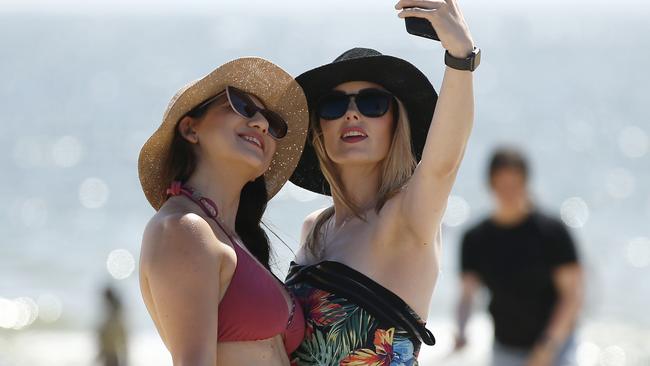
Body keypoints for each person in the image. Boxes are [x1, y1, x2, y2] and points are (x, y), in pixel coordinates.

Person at [285, 1, 479, 364]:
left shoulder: (405, 216)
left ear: (396, 124)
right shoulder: (315, 227)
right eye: (334, 105)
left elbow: (443, 163)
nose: (352, 113)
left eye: (372, 103)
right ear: (318, 131)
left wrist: (460, 56)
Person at [137, 57, 309, 365]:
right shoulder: (182, 228)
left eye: (272, 121)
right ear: (190, 129)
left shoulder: (229, 237)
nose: (261, 123)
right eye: (240, 106)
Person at [455, 147, 584, 366]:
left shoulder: (552, 232)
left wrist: (546, 346)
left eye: (515, 184)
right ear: (490, 185)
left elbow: (572, 296)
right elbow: (467, 295)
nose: (508, 192)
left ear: (526, 183)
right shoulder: (475, 238)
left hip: (556, 348)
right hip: (504, 347)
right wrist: (461, 330)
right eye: (502, 184)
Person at [97, 286, 128, 366]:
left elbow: (110, 336)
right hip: (112, 351)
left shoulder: (113, 315)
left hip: (111, 353)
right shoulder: (115, 312)